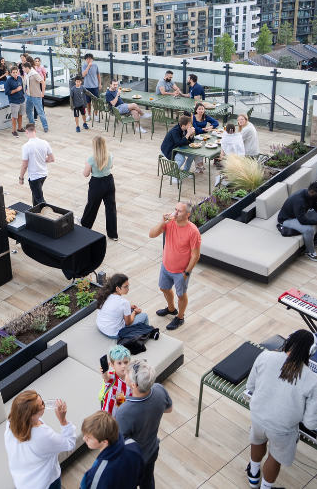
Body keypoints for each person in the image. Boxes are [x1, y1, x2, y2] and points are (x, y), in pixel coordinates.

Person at [245, 330, 317, 489]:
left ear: (288, 341)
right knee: (275, 456)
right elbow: (310, 424)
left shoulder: (265, 356)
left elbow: (250, 386)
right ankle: (265, 488)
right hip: (282, 430)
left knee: (257, 440)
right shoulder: (313, 380)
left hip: (258, 417)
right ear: (311, 351)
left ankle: (253, 476)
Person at [116, 360, 173, 489]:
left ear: (134, 385)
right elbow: (169, 409)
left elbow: (119, 443)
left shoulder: (124, 411)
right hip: (152, 451)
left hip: (132, 461)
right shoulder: (159, 389)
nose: (124, 372)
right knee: (147, 483)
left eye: (126, 374)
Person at [5, 391, 75, 489]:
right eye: (42, 404)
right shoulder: (42, 436)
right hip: (45, 484)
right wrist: (62, 420)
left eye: (41, 399)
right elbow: (70, 444)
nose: (44, 404)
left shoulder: (11, 422)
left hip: (22, 482)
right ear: (32, 416)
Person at [148, 202, 201, 331]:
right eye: (175, 209)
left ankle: (180, 317)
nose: (175, 213)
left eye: (180, 211)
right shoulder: (169, 223)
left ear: (187, 215)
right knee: (164, 288)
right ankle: (171, 309)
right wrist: (162, 222)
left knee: (181, 295)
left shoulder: (193, 231)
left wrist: (186, 273)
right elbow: (152, 234)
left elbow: (195, 255)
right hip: (166, 266)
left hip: (181, 271)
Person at [79, 411, 144, 489]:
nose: (84, 439)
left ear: (105, 441)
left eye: (88, 438)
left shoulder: (97, 476)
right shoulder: (133, 446)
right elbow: (140, 476)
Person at [276, 181, 317, 262]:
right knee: (309, 229)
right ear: (313, 191)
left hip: (300, 214)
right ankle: (309, 252)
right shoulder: (299, 200)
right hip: (288, 219)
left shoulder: (311, 195)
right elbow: (303, 220)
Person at [80, 136, 117, 240]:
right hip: (109, 182)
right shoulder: (109, 155)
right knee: (111, 208)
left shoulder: (91, 159)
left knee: (92, 207)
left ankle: (85, 227)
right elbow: (111, 167)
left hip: (97, 183)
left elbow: (85, 174)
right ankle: (113, 234)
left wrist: (86, 165)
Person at [20, 123, 54, 205]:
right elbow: (51, 159)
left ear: (26, 132)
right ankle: (35, 213)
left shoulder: (26, 146)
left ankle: (49, 215)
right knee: (35, 195)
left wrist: (21, 178)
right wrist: (41, 160)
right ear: (35, 131)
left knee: (39, 199)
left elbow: (24, 165)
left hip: (34, 176)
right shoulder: (45, 142)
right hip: (44, 173)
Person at [160, 115, 197, 180]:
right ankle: (173, 176)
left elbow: (190, 141)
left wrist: (191, 135)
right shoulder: (175, 131)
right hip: (169, 150)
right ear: (183, 126)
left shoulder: (185, 129)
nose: (190, 126)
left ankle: (185, 172)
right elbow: (179, 143)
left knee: (192, 154)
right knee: (181, 159)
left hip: (177, 148)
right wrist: (188, 134)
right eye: (189, 125)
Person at [100, 345, 132, 416]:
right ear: (112, 365)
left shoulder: (132, 380)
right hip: (107, 415)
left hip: (122, 416)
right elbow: (106, 377)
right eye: (119, 363)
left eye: (126, 362)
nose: (123, 366)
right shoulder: (112, 376)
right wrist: (104, 372)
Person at [23, 62, 48, 132]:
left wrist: (42, 93)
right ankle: (31, 124)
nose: (23, 69)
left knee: (40, 112)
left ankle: (45, 126)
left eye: (23, 68)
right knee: (28, 111)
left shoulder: (34, 74)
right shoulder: (27, 74)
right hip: (29, 95)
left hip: (36, 96)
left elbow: (43, 82)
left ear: (27, 68)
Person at [4, 65, 26, 137]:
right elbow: (7, 92)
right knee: (14, 116)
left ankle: (19, 128)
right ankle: (14, 131)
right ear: (11, 73)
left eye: (16, 72)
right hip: (14, 101)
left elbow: (22, 87)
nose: (15, 74)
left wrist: (22, 94)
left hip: (21, 100)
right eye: (13, 72)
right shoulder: (8, 81)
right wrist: (16, 90)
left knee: (20, 115)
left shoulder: (20, 78)